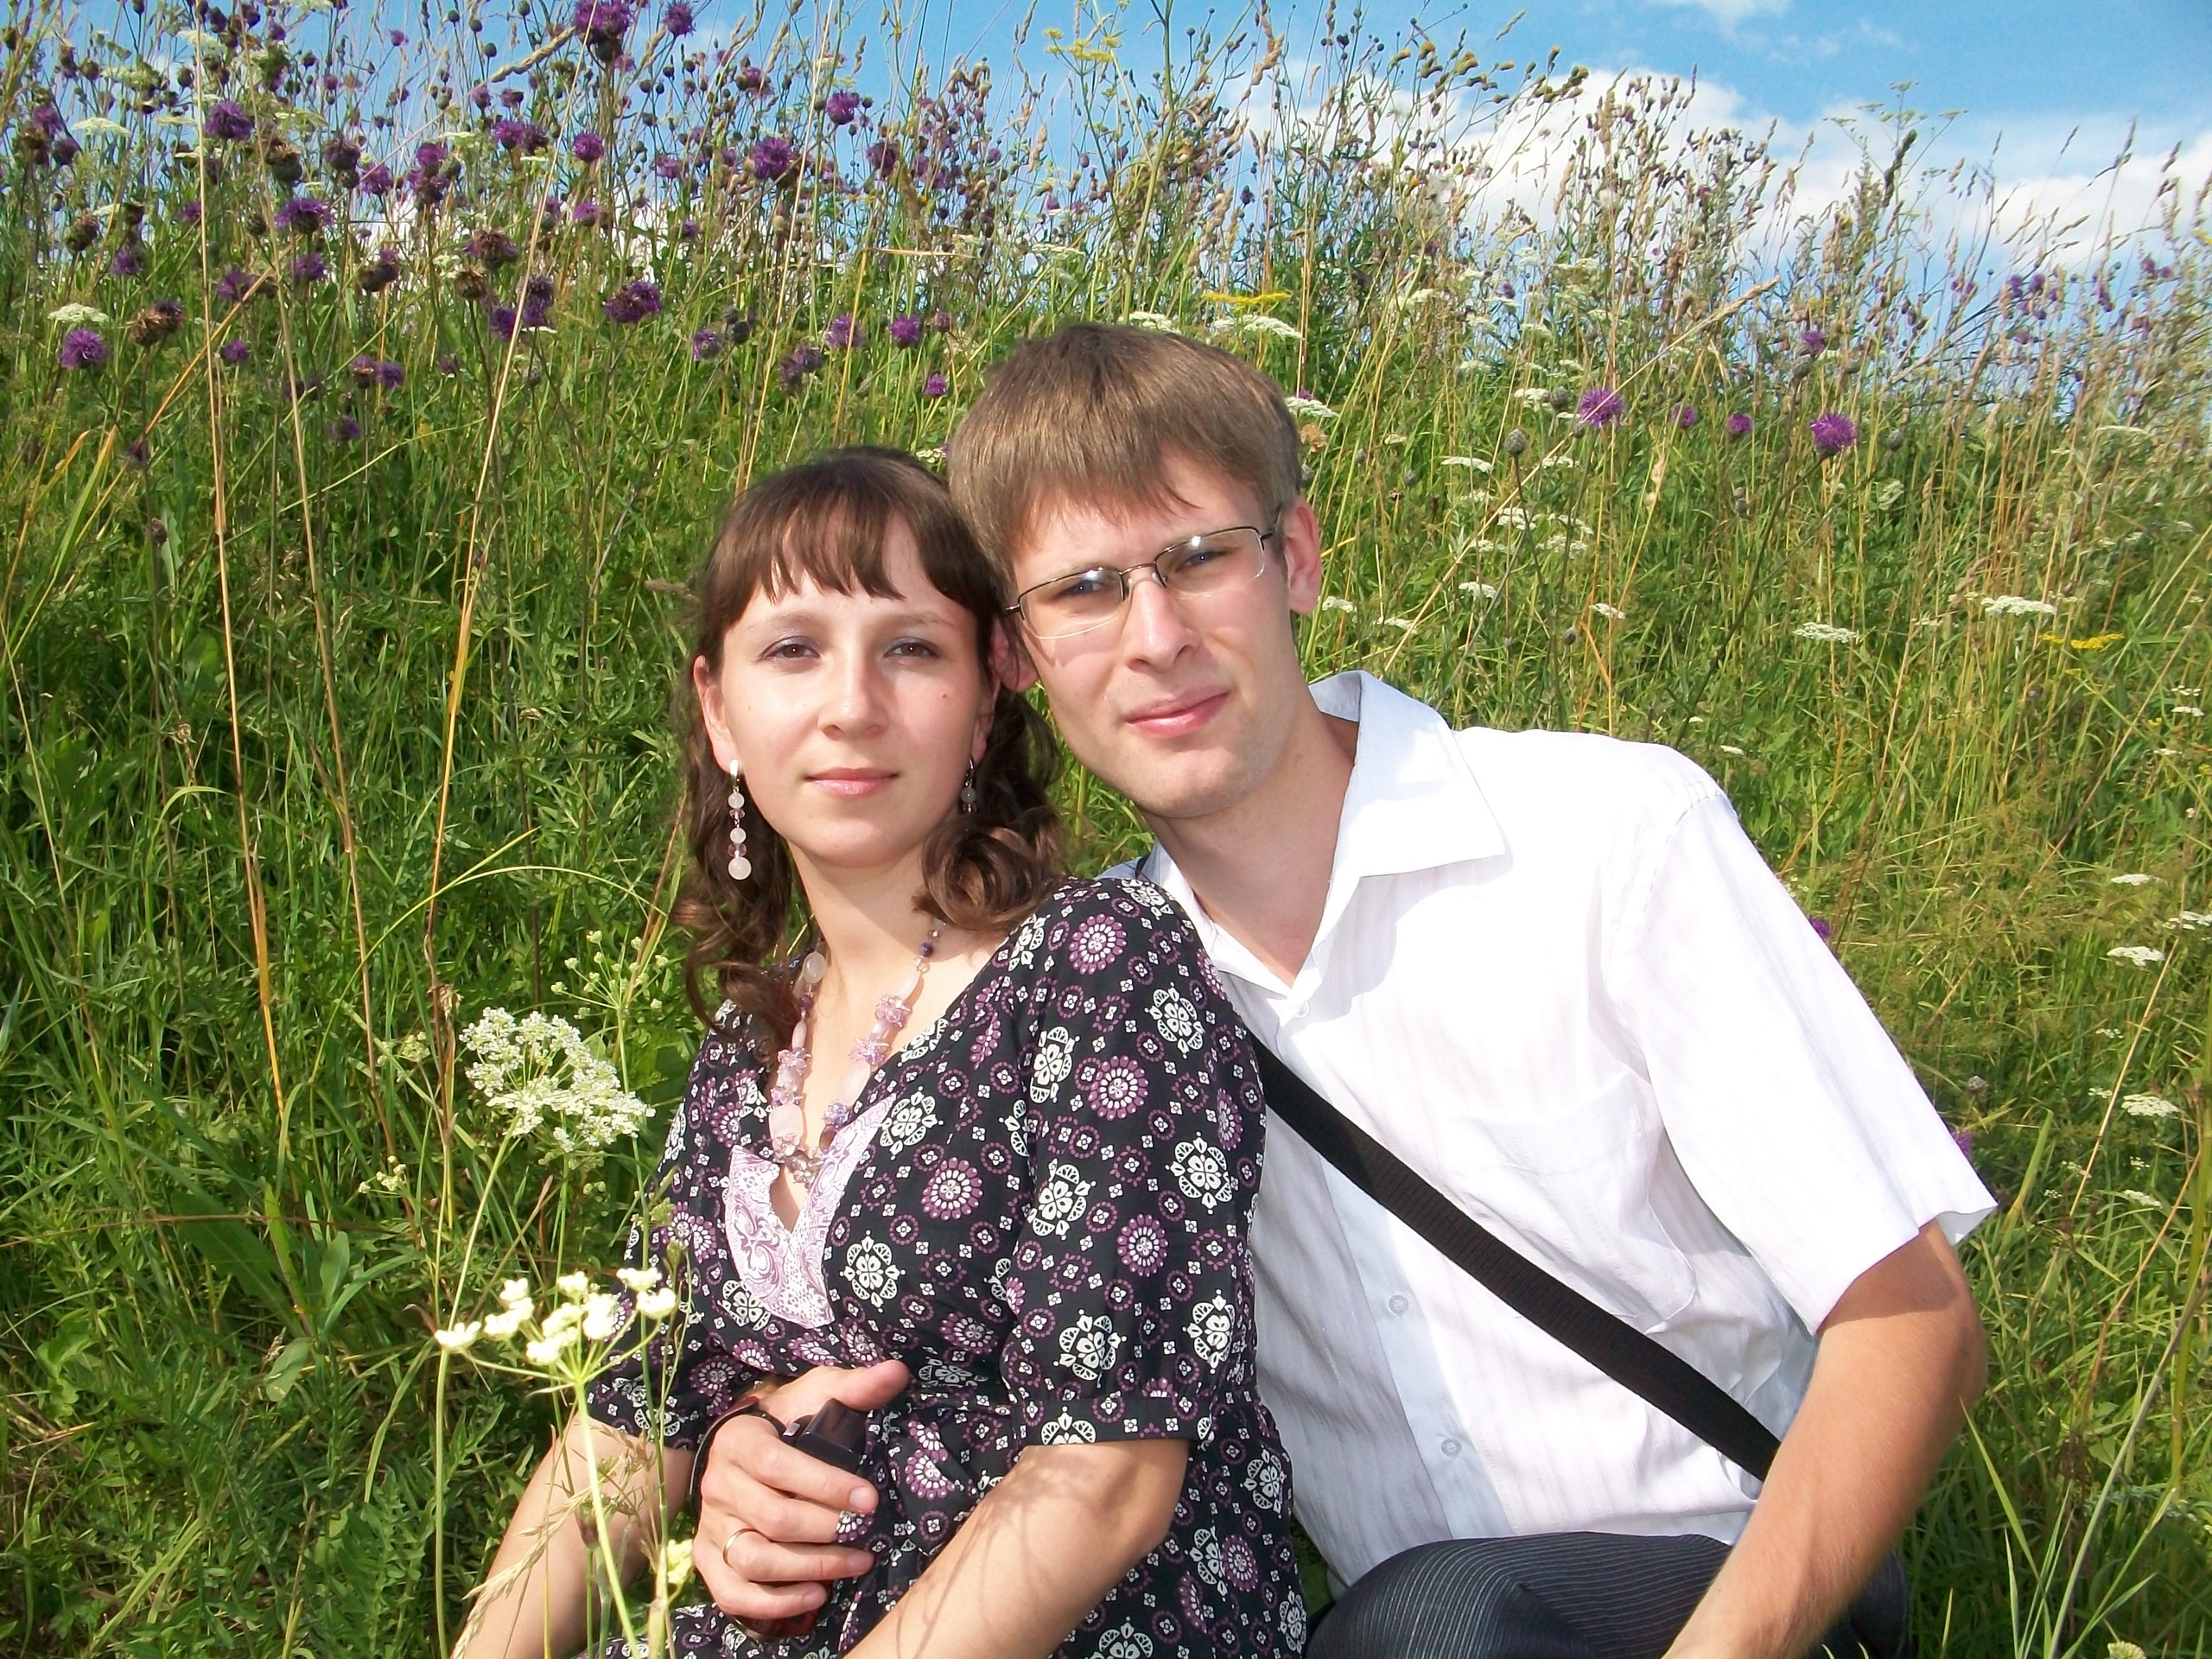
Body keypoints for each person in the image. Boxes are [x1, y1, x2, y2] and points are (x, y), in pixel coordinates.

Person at [692, 331, 1994, 1659]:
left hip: (1735, 1600)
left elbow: (1912, 1320)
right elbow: (944, 1337)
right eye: (1083, 591)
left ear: (1299, 556)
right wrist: (742, 1440)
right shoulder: (1093, 993)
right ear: (1020, 655)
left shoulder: (1601, 836)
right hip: (1383, 1629)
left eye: (1200, 558)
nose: (1156, 639)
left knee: (1445, 1623)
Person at [457, 447, 1303, 1659]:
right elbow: (629, 1429)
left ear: (987, 695)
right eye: (793, 650)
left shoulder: (1091, 970)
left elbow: (1108, 1477)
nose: (852, 704)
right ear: (719, 711)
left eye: (910, 649)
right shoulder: (748, 1053)